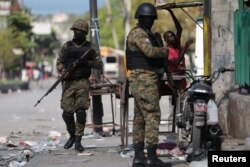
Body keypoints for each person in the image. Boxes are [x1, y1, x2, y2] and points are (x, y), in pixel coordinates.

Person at [126, 3, 172, 167]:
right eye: (150, 18)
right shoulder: (139, 34)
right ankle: (151, 158)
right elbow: (150, 52)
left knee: (140, 118)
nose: (152, 21)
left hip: (143, 79)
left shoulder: (148, 34)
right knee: (152, 115)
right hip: (144, 79)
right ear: (144, 18)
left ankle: (139, 157)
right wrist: (165, 51)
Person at [56, 19, 102, 152]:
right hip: (68, 82)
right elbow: (59, 62)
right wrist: (63, 71)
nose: (77, 33)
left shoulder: (90, 47)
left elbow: (98, 63)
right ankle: (71, 134)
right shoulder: (66, 46)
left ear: (84, 32)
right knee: (67, 113)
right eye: (75, 30)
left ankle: (78, 140)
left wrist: (86, 63)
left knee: (81, 112)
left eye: (80, 31)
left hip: (82, 81)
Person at [163, 9, 193, 91]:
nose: (173, 37)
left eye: (173, 35)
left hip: (181, 79)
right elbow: (176, 62)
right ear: (166, 40)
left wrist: (172, 13)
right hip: (174, 81)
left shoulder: (176, 47)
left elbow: (179, 29)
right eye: (170, 36)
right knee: (177, 100)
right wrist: (185, 47)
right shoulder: (167, 50)